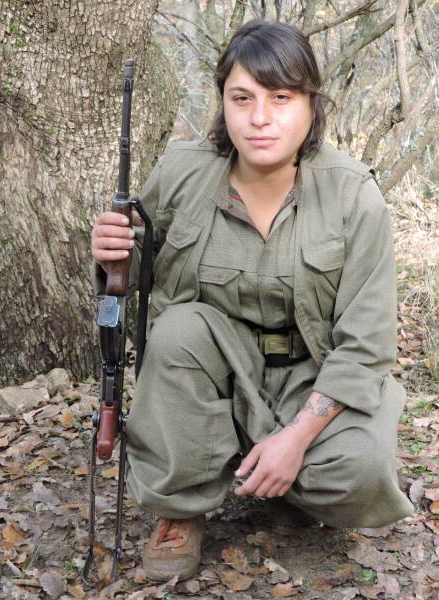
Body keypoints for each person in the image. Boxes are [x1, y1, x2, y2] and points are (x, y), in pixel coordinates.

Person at [91, 19, 413, 582]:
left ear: (311, 104)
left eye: (280, 98)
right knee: (178, 331)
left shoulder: (353, 194)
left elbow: (366, 346)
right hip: (212, 373)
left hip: (311, 375)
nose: (259, 117)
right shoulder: (181, 172)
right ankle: (180, 502)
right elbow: (131, 280)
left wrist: (297, 439)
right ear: (223, 103)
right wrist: (110, 253)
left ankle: (279, 471)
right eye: (242, 98)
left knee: (360, 474)